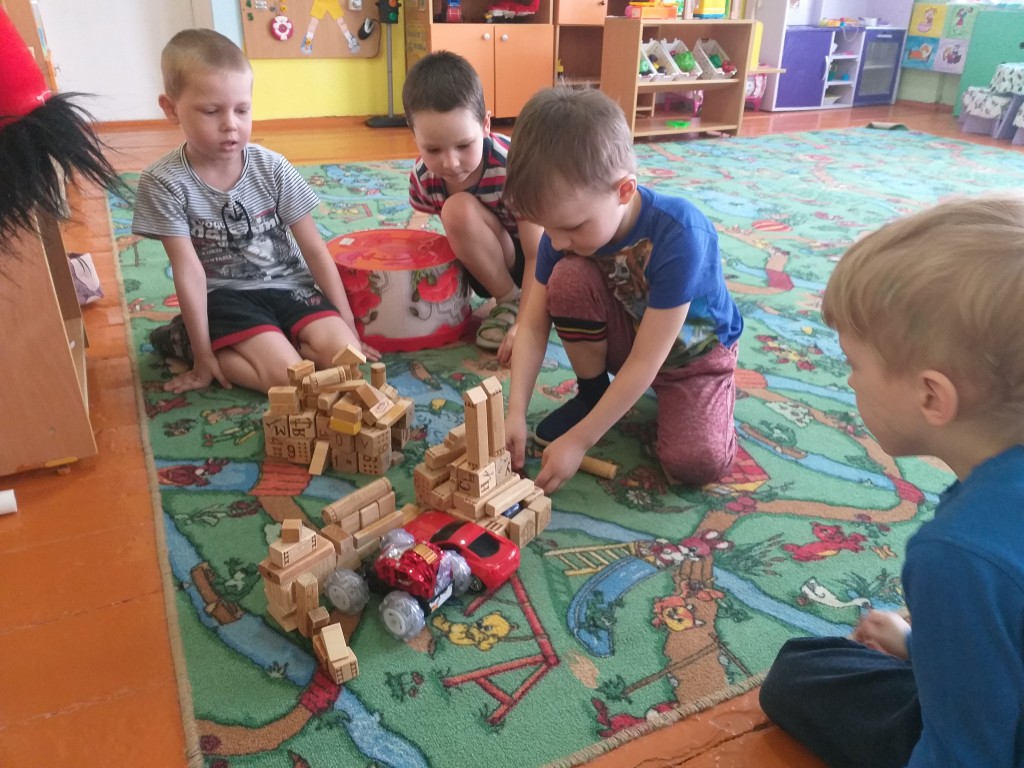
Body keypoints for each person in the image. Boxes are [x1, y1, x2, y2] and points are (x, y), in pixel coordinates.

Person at [759, 195, 1024, 768]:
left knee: (799, 673)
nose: (850, 381)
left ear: (931, 395)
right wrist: (922, 646)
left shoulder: (958, 554)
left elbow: (965, 756)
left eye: (854, 364)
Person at [502, 87, 743, 494]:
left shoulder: (682, 232)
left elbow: (648, 359)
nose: (556, 241)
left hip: (694, 356)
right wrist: (515, 411)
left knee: (696, 462)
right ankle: (593, 395)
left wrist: (580, 441)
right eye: (549, 227)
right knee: (567, 277)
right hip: (630, 334)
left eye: (573, 227)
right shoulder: (562, 232)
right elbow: (531, 326)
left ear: (624, 190)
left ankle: (713, 398)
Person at [132, 29, 373, 395]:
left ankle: (273, 342)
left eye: (242, 110)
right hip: (225, 296)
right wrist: (202, 356)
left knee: (347, 361)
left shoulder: (273, 168)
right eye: (211, 111)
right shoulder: (163, 181)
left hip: (289, 285)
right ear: (170, 108)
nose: (230, 124)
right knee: (289, 380)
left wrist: (348, 325)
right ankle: (187, 340)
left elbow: (313, 249)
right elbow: (188, 269)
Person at [402, 51, 542, 364]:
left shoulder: (513, 167)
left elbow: (538, 252)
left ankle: (511, 301)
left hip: (533, 264)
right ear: (414, 136)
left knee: (457, 209)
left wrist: (525, 323)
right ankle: (506, 296)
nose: (450, 163)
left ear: (486, 125)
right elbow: (419, 233)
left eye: (464, 145)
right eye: (432, 149)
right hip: (483, 265)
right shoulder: (423, 176)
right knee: (454, 215)